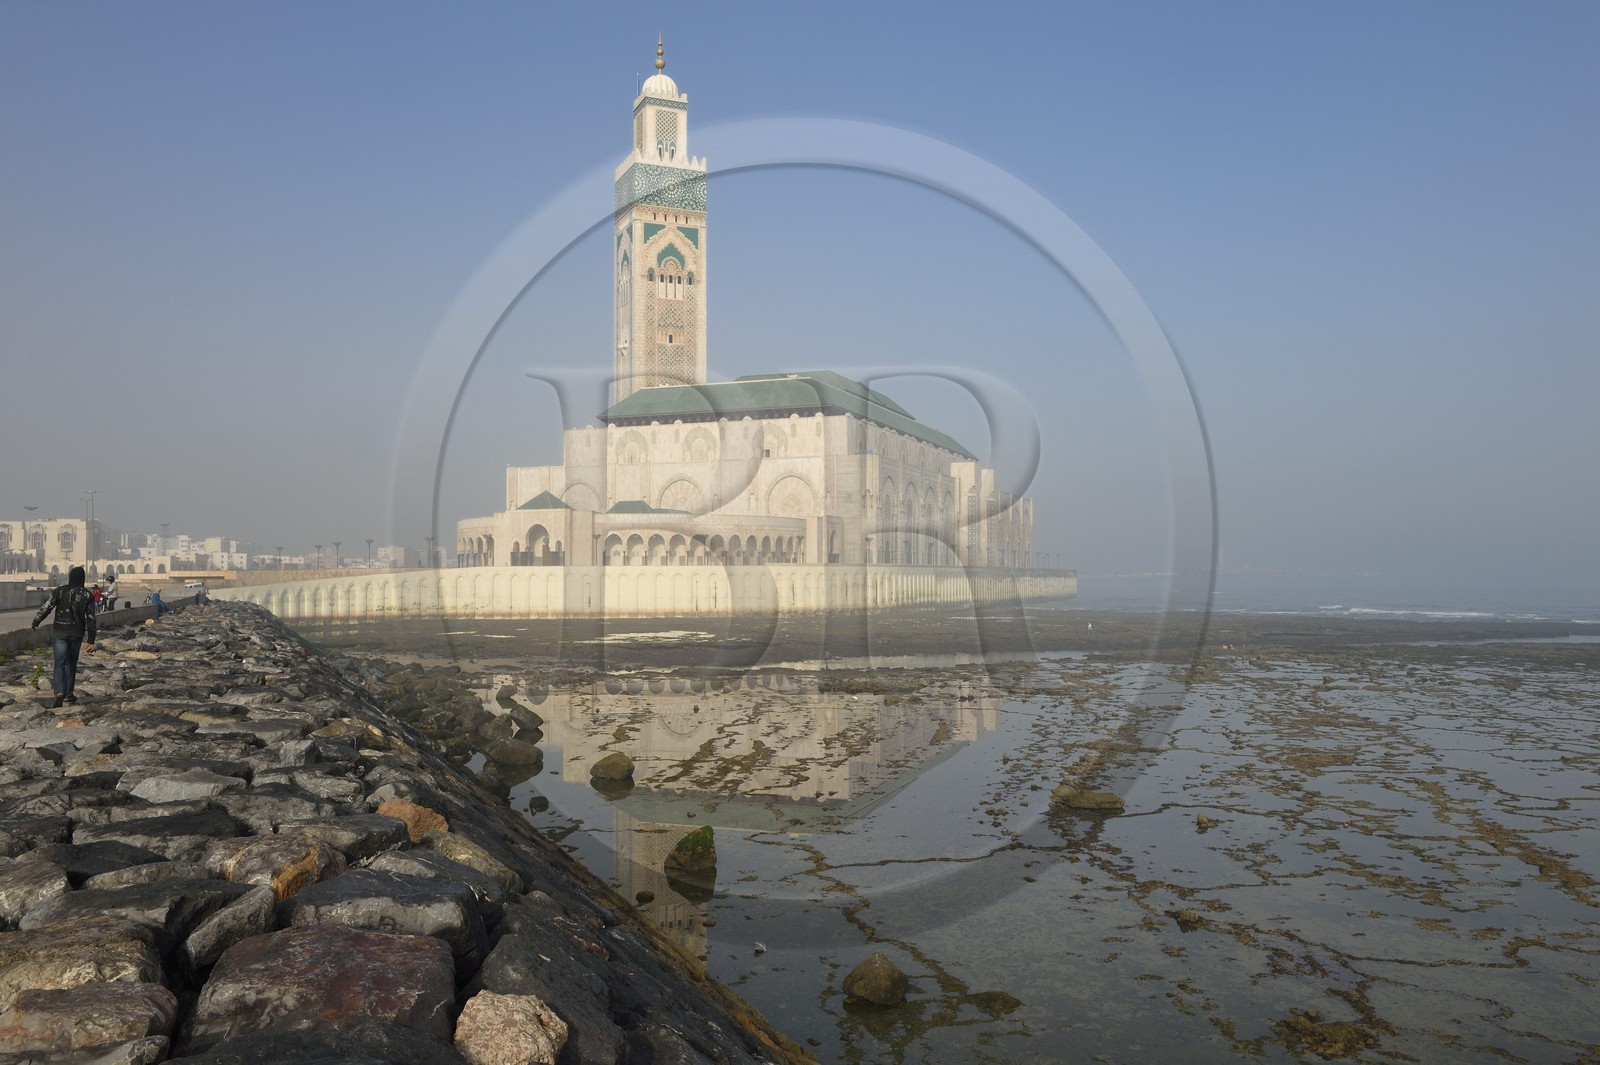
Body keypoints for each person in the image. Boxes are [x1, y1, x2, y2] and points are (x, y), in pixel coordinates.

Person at [31, 566, 96, 708]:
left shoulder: (59, 591)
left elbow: (47, 607)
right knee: (71, 663)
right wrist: (91, 640)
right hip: (76, 633)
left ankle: (59, 691)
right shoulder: (87, 595)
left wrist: (36, 621)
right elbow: (91, 618)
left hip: (60, 631)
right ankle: (68, 694)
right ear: (83, 579)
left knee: (59, 662)